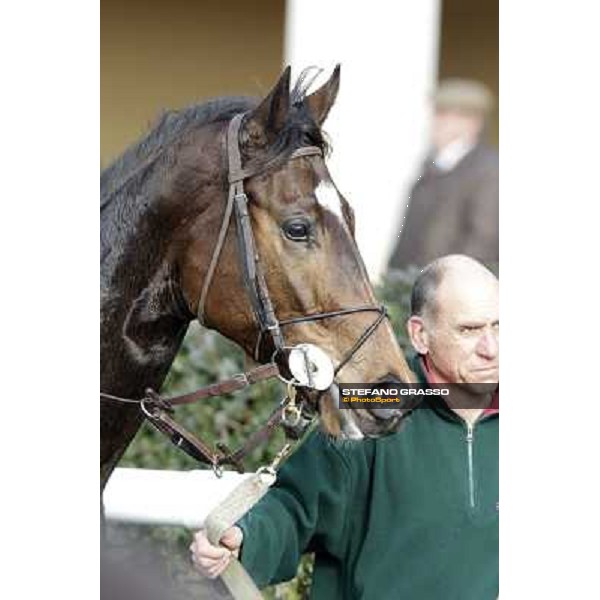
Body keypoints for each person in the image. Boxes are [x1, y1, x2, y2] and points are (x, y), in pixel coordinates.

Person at [190, 255, 499, 599]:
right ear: (420, 335)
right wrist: (244, 541)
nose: (492, 349)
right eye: (469, 330)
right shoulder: (371, 408)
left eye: (500, 326)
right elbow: (294, 506)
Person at [388, 79, 499, 271]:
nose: (436, 122)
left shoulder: (489, 169)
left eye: (445, 115)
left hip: (447, 290)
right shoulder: (432, 163)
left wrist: (443, 284)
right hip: (407, 285)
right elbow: (408, 232)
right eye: (437, 113)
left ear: (473, 123)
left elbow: (483, 239)